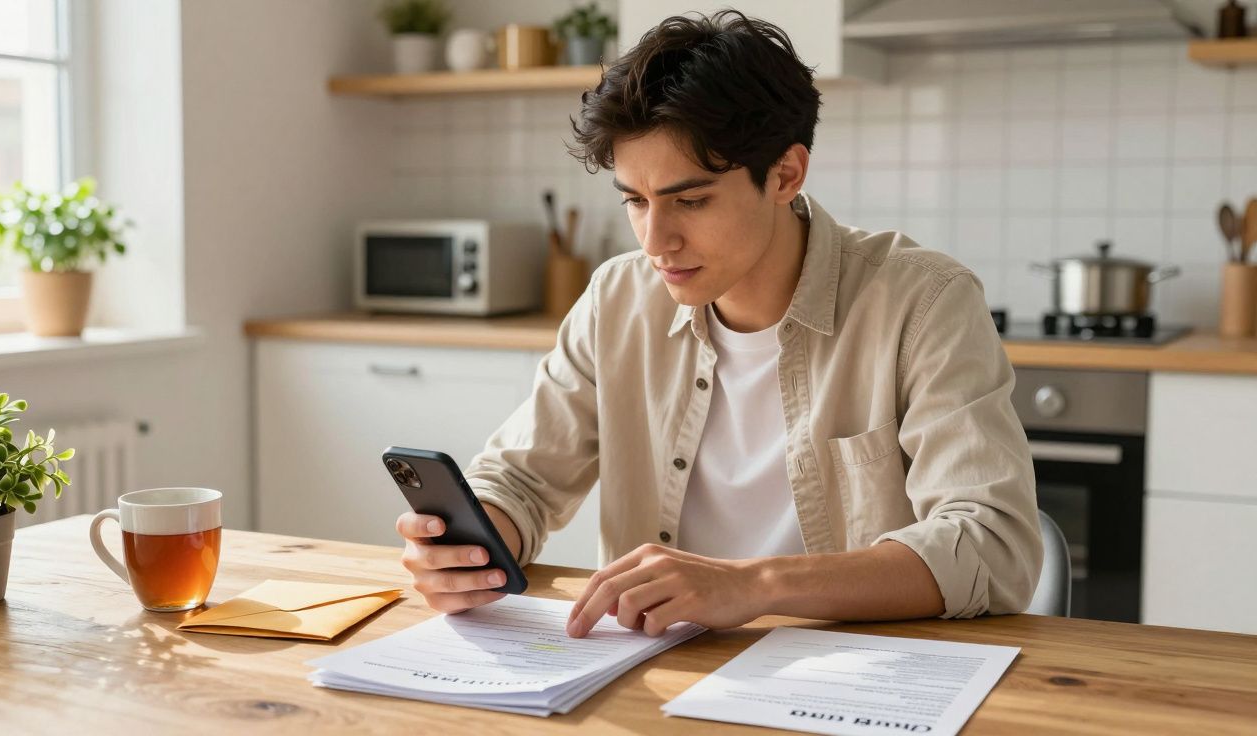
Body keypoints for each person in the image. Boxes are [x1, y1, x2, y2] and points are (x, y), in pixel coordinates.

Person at [396, 10, 1042, 638]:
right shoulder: (616, 298)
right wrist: (473, 545)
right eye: (634, 201)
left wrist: (751, 585)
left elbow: (992, 545)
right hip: (657, 671)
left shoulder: (923, 302)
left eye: (692, 200)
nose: (657, 241)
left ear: (786, 173)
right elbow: (521, 480)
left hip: (859, 675)